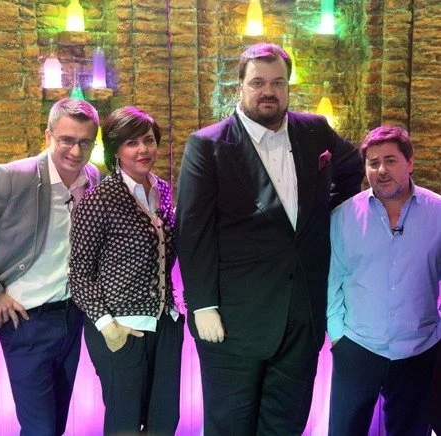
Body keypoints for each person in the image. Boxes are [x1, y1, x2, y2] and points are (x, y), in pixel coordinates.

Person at [175, 42, 364, 435]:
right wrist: (203, 303)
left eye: (278, 82)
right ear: (241, 86)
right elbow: (193, 231)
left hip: (301, 316)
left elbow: (352, 167)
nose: (269, 91)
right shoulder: (208, 145)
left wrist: (324, 212)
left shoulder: (314, 130)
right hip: (233, 321)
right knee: (230, 427)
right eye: (258, 82)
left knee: (286, 426)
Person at [0, 98, 101, 435]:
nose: (75, 151)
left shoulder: (91, 177)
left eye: (85, 142)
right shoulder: (13, 177)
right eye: (67, 140)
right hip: (26, 321)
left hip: (72, 317)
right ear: (48, 136)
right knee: (39, 428)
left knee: (55, 424)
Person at [68, 106, 184, 435]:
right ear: (115, 150)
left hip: (165, 322)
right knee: (126, 425)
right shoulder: (98, 200)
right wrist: (108, 326)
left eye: (148, 140)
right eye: (131, 142)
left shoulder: (162, 190)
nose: (143, 149)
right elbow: (79, 274)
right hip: (121, 327)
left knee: (164, 422)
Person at [327, 125, 440, 436]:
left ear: (409, 163)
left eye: (390, 160)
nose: (381, 170)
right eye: (373, 162)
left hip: (419, 350)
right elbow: (333, 279)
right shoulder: (343, 216)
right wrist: (338, 336)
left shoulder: (438, 213)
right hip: (357, 347)